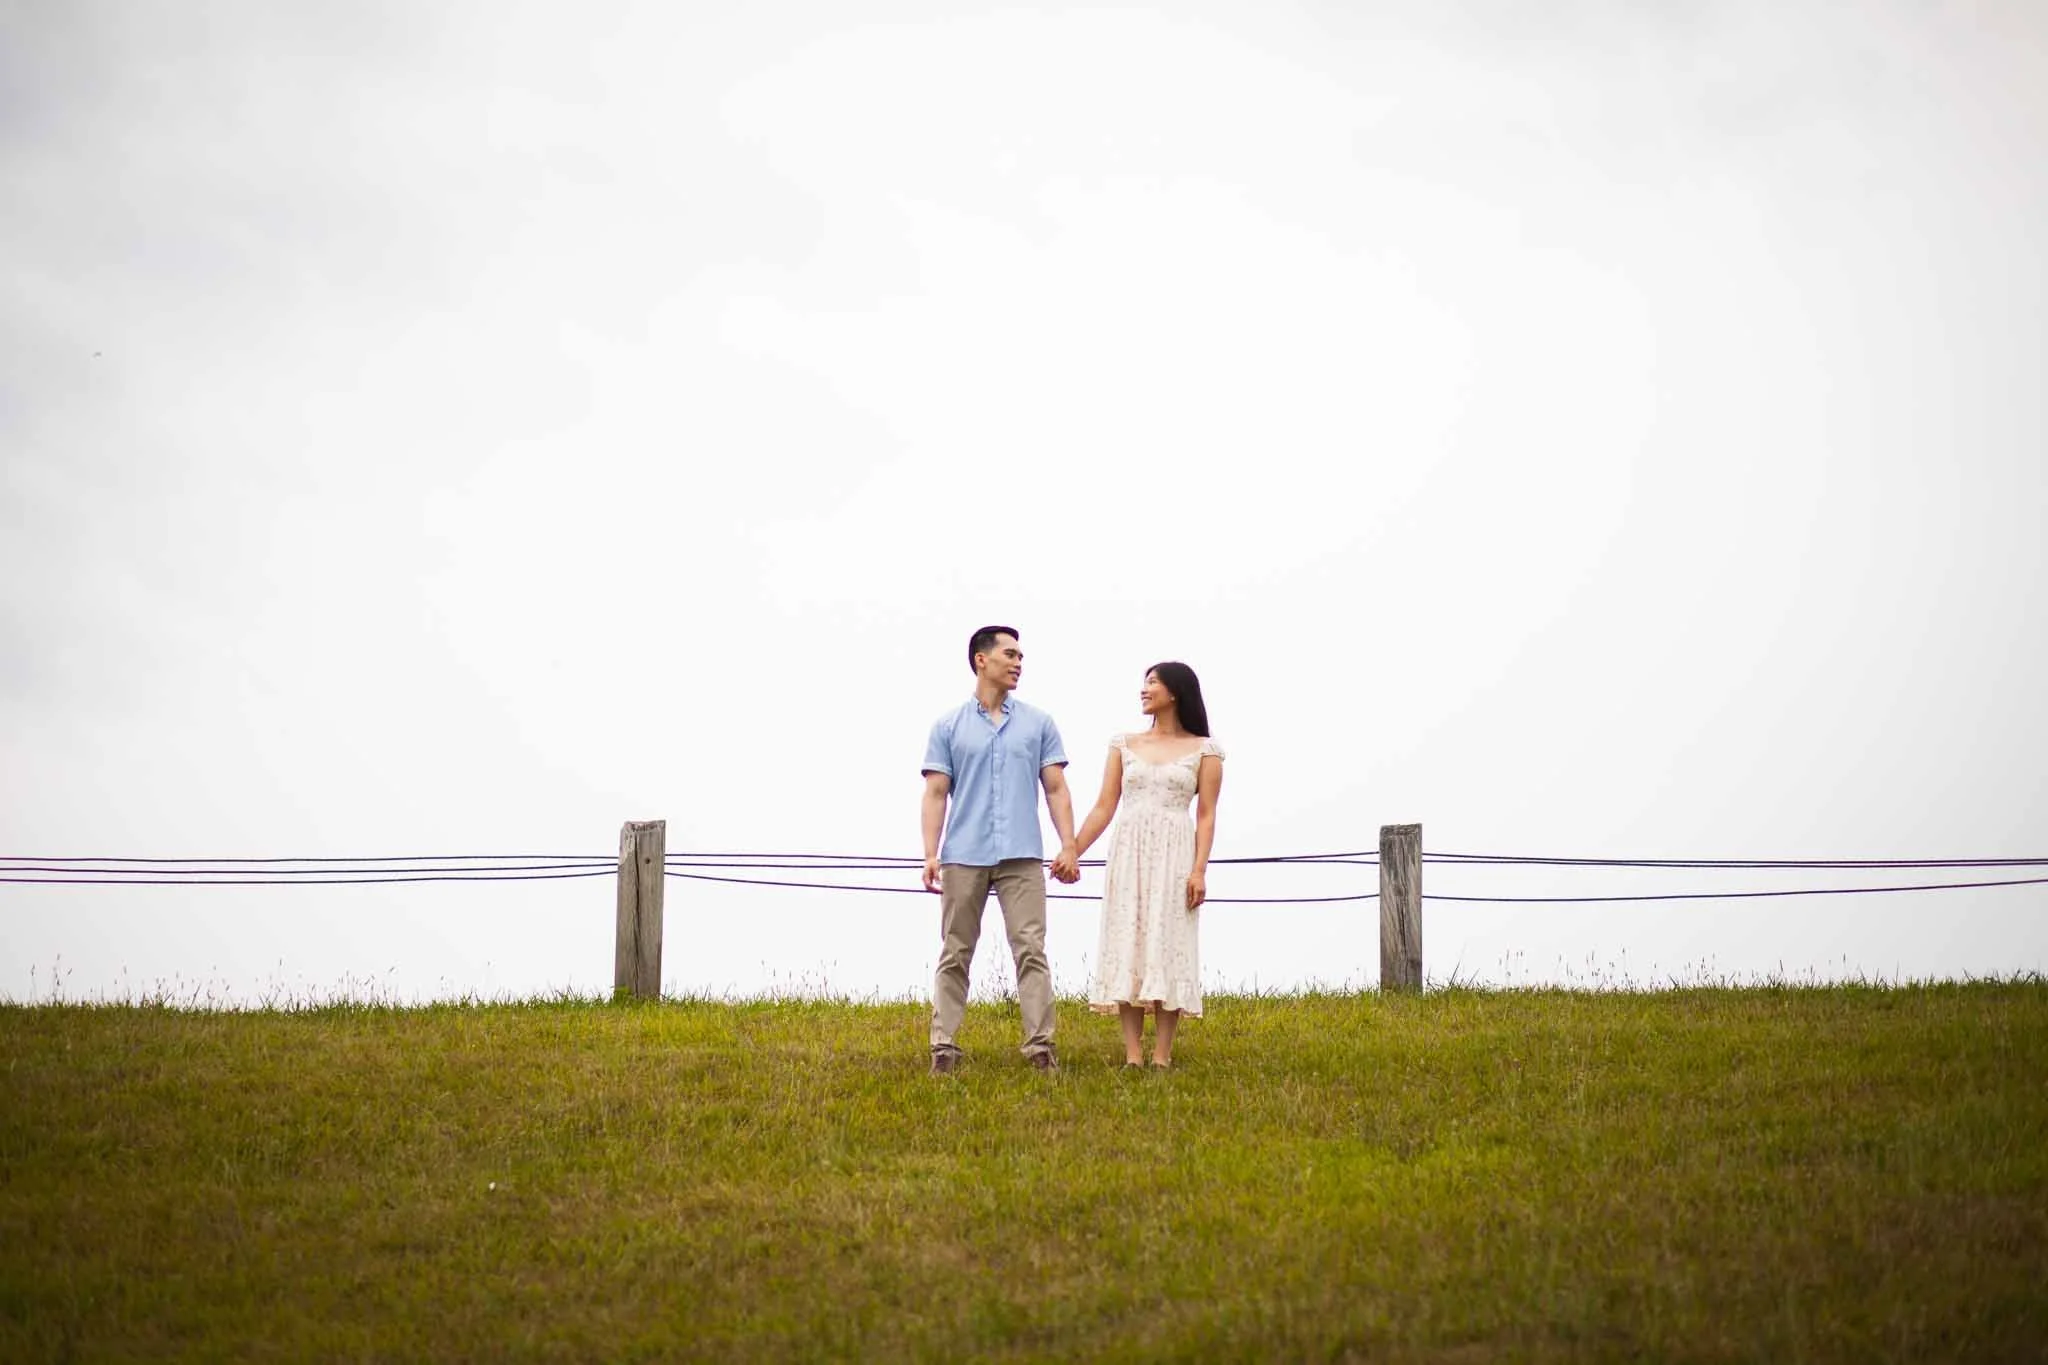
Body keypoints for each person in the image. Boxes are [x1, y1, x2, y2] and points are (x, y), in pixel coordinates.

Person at [920, 626, 1081, 1075]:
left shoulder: (1038, 723)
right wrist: (930, 853)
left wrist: (1068, 844)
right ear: (981, 660)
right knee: (955, 950)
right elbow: (936, 793)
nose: (1018, 663)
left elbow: (1055, 788)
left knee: (1031, 948)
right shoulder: (948, 726)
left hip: (1021, 854)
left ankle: (1040, 1046)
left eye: (1021, 656)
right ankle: (944, 1046)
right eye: (1010, 654)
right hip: (962, 853)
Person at [1073, 661, 1224, 1069]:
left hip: (1175, 851)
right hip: (1129, 851)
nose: (1144, 689)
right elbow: (1105, 805)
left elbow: (1207, 814)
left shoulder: (1205, 750)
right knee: (1131, 938)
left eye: (1153, 682)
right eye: (1144, 682)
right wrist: (1073, 849)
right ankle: (1133, 1055)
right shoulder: (1122, 744)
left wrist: (1199, 870)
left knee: (1169, 938)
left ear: (1175, 692)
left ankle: (1162, 1055)